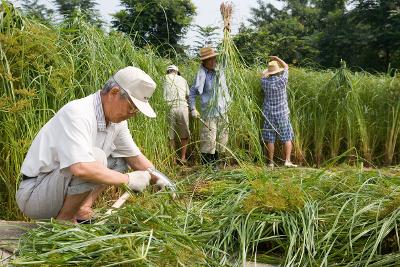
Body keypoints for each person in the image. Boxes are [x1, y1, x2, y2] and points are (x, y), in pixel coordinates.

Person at [16, 66, 172, 223]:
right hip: (35, 193)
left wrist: (160, 179)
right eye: (131, 108)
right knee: (95, 159)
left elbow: (135, 158)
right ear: (114, 93)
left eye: (136, 111)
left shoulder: (116, 122)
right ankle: (65, 220)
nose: (132, 115)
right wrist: (128, 180)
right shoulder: (78, 113)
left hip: (58, 188)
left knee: (120, 160)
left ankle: (82, 209)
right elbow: (81, 168)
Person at [189, 47, 231, 166]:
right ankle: (208, 167)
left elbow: (227, 56)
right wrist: (193, 108)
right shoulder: (201, 76)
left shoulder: (220, 71)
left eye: (214, 59)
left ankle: (217, 164)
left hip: (222, 111)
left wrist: (226, 33)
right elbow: (192, 93)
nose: (213, 62)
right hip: (209, 113)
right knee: (209, 140)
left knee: (222, 139)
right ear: (204, 62)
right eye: (210, 60)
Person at [261, 56, 297, 168]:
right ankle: (287, 161)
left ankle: (271, 162)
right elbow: (286, 67)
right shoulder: (282, 80)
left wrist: (267, 71)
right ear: (277, 71)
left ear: (269, 72)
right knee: (287, 137)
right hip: (282, 113)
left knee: (270, 139)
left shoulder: (264, 82)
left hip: (269, 114)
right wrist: (277, 58)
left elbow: (263, 75)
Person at [163, 65, 190, 164]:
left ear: (168, 71)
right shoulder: (182, 79)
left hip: (169, 107)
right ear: (177, 72)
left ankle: (173, 159)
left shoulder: (164, 78)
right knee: (184, 133)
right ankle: (183, 157)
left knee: (171, 135)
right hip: (182, 107)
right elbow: (187, 95)